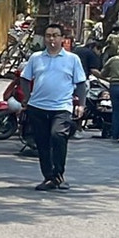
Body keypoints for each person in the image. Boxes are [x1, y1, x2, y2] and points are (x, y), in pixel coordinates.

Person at [18, 22, 87, 190]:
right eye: (48, 35)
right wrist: (27, 98)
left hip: (62, 107)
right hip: (38, 107)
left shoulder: (72, 59)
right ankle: (49, 177)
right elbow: (25, 78)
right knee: (42, 143)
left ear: (62, 39)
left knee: (57, 136)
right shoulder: (36, 58)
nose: (52, 39)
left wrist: (81, 104)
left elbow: (81, 83)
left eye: (55, 35)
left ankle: (59, 174)